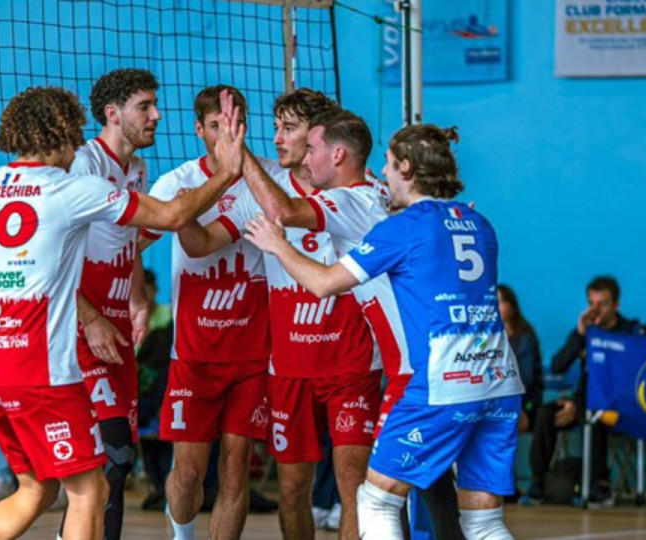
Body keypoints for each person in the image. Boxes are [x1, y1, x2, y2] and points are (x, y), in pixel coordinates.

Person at [0, 86, 247, 540]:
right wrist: (228, 173)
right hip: (40, 371)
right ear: (62, 135)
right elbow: (172, 214)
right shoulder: (69, 189)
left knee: (35, 491)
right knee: (89, 492)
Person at [244, 124, 524, 540]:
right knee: (483, 522)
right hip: (499, 381)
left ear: (407, 168)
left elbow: (323, 283)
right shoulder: (479, 223)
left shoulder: (403, 228)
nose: (383, 172)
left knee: (375, 501)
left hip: (443, 381)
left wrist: (276, 244)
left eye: (390, 165)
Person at [174, 90, 382, 540]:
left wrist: (236, 147)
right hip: (289, 368)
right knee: (291, 490)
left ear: (318, 137)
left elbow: (284, 213)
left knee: (354, 486)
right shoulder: (263, 194)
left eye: (288, 129)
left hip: (352, 362)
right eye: (275, 127)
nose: (277, 138)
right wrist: (180, 210)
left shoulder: (361, 192)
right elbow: (202, 244)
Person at [135, 84, 278, 540]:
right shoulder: (177, 183)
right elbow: (131, 241)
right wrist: (137, 299)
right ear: (200, 129)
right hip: (193, 357)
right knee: (189, 473)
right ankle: (182, 536)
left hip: (253, 355)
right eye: (217, 125)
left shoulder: (267, 181)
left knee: (235, 469)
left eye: (235, 124)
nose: (227, 134)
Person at [68, 67, 160, 540]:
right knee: (109, 457)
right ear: (112, 113)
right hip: (82, 326)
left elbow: (128, 242)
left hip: (117, 321)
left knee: (118, 468)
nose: (156, 115)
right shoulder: (83, 164)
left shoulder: (138, 169)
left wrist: (138, 297)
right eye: (144, 106)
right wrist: (91, 319)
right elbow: (52, 262)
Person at [528, 276, 639, 508]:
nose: (595, 309)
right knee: (545, 414)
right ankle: (538, 482)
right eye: (591, 303)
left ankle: (599, 484)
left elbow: (629, 380)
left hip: (618, 406)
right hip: (583, 401)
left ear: (616, 305)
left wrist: (578, 406)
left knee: (593, 415)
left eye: (603, 303)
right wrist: (579, 334)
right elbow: (558, 365)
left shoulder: (630, 334)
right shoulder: (586, 331)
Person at [497, 284, 542, 433]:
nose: (496, 307)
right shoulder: (489, 338)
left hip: (526, 403)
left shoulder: (525, 338)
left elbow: (526, 380)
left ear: (512, 306)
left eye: (501, 302)